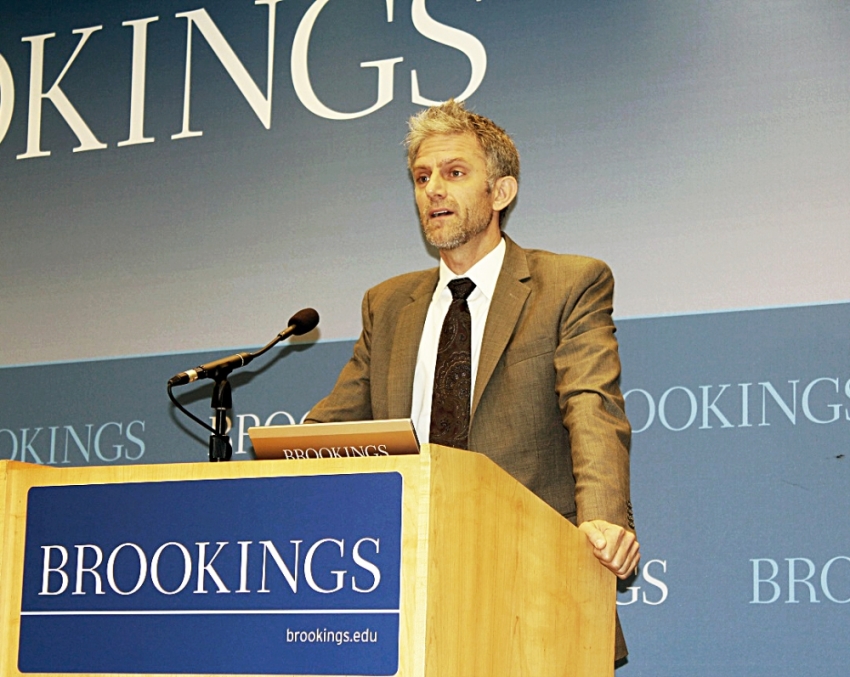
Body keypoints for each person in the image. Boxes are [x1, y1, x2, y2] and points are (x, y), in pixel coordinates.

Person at [305, 99, 639, 663]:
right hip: (402, 585)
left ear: (501, 192)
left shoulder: (567, 284)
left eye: (454, 173)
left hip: (530, 584)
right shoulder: (387, 305)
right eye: (422, 176)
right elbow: (329, 430)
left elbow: (591, 406)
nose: (433, 189)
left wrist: (603, 518)